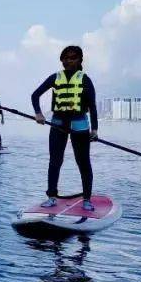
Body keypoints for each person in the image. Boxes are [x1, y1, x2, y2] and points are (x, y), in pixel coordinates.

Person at [31, 45, 99, 211]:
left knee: (83, 162)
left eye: (73, 57)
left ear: (80, 60)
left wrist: (95, 130)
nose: (69, 61)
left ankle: (87, 200)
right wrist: (38, 114)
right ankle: (52, 197)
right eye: (66, 58)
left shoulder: (85, 79)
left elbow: (92, 106)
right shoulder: (55, 77)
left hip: (79, 123)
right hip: (58, 123)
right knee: (55, 161)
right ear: (61, 60)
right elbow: (35, 95)